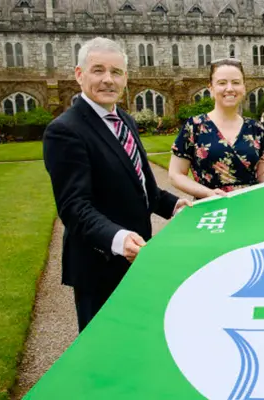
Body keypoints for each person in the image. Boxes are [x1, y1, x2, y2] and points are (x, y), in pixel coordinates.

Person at [42, 37, 192, 332]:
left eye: (116, 72)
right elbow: (74, 207)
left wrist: (174, 205)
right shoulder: (65, 131)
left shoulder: (124, 120)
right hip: (98, 264)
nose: (108, 80)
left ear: (125, 78)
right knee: (103, 346)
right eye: (98, 70)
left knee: (137, 337)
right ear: (79, 74)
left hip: (137, 258)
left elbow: (143, 187)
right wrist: (119, 239)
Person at [169, 58, 264, 199]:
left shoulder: (256, 128)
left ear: (244, 87)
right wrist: (208, 193)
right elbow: (175, 175)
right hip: (211, 207)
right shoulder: (194, 126)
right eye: (222, 83)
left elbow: (262, 174)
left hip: (251, 206)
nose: (229, 88)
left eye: (236, 82)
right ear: (211, 88)